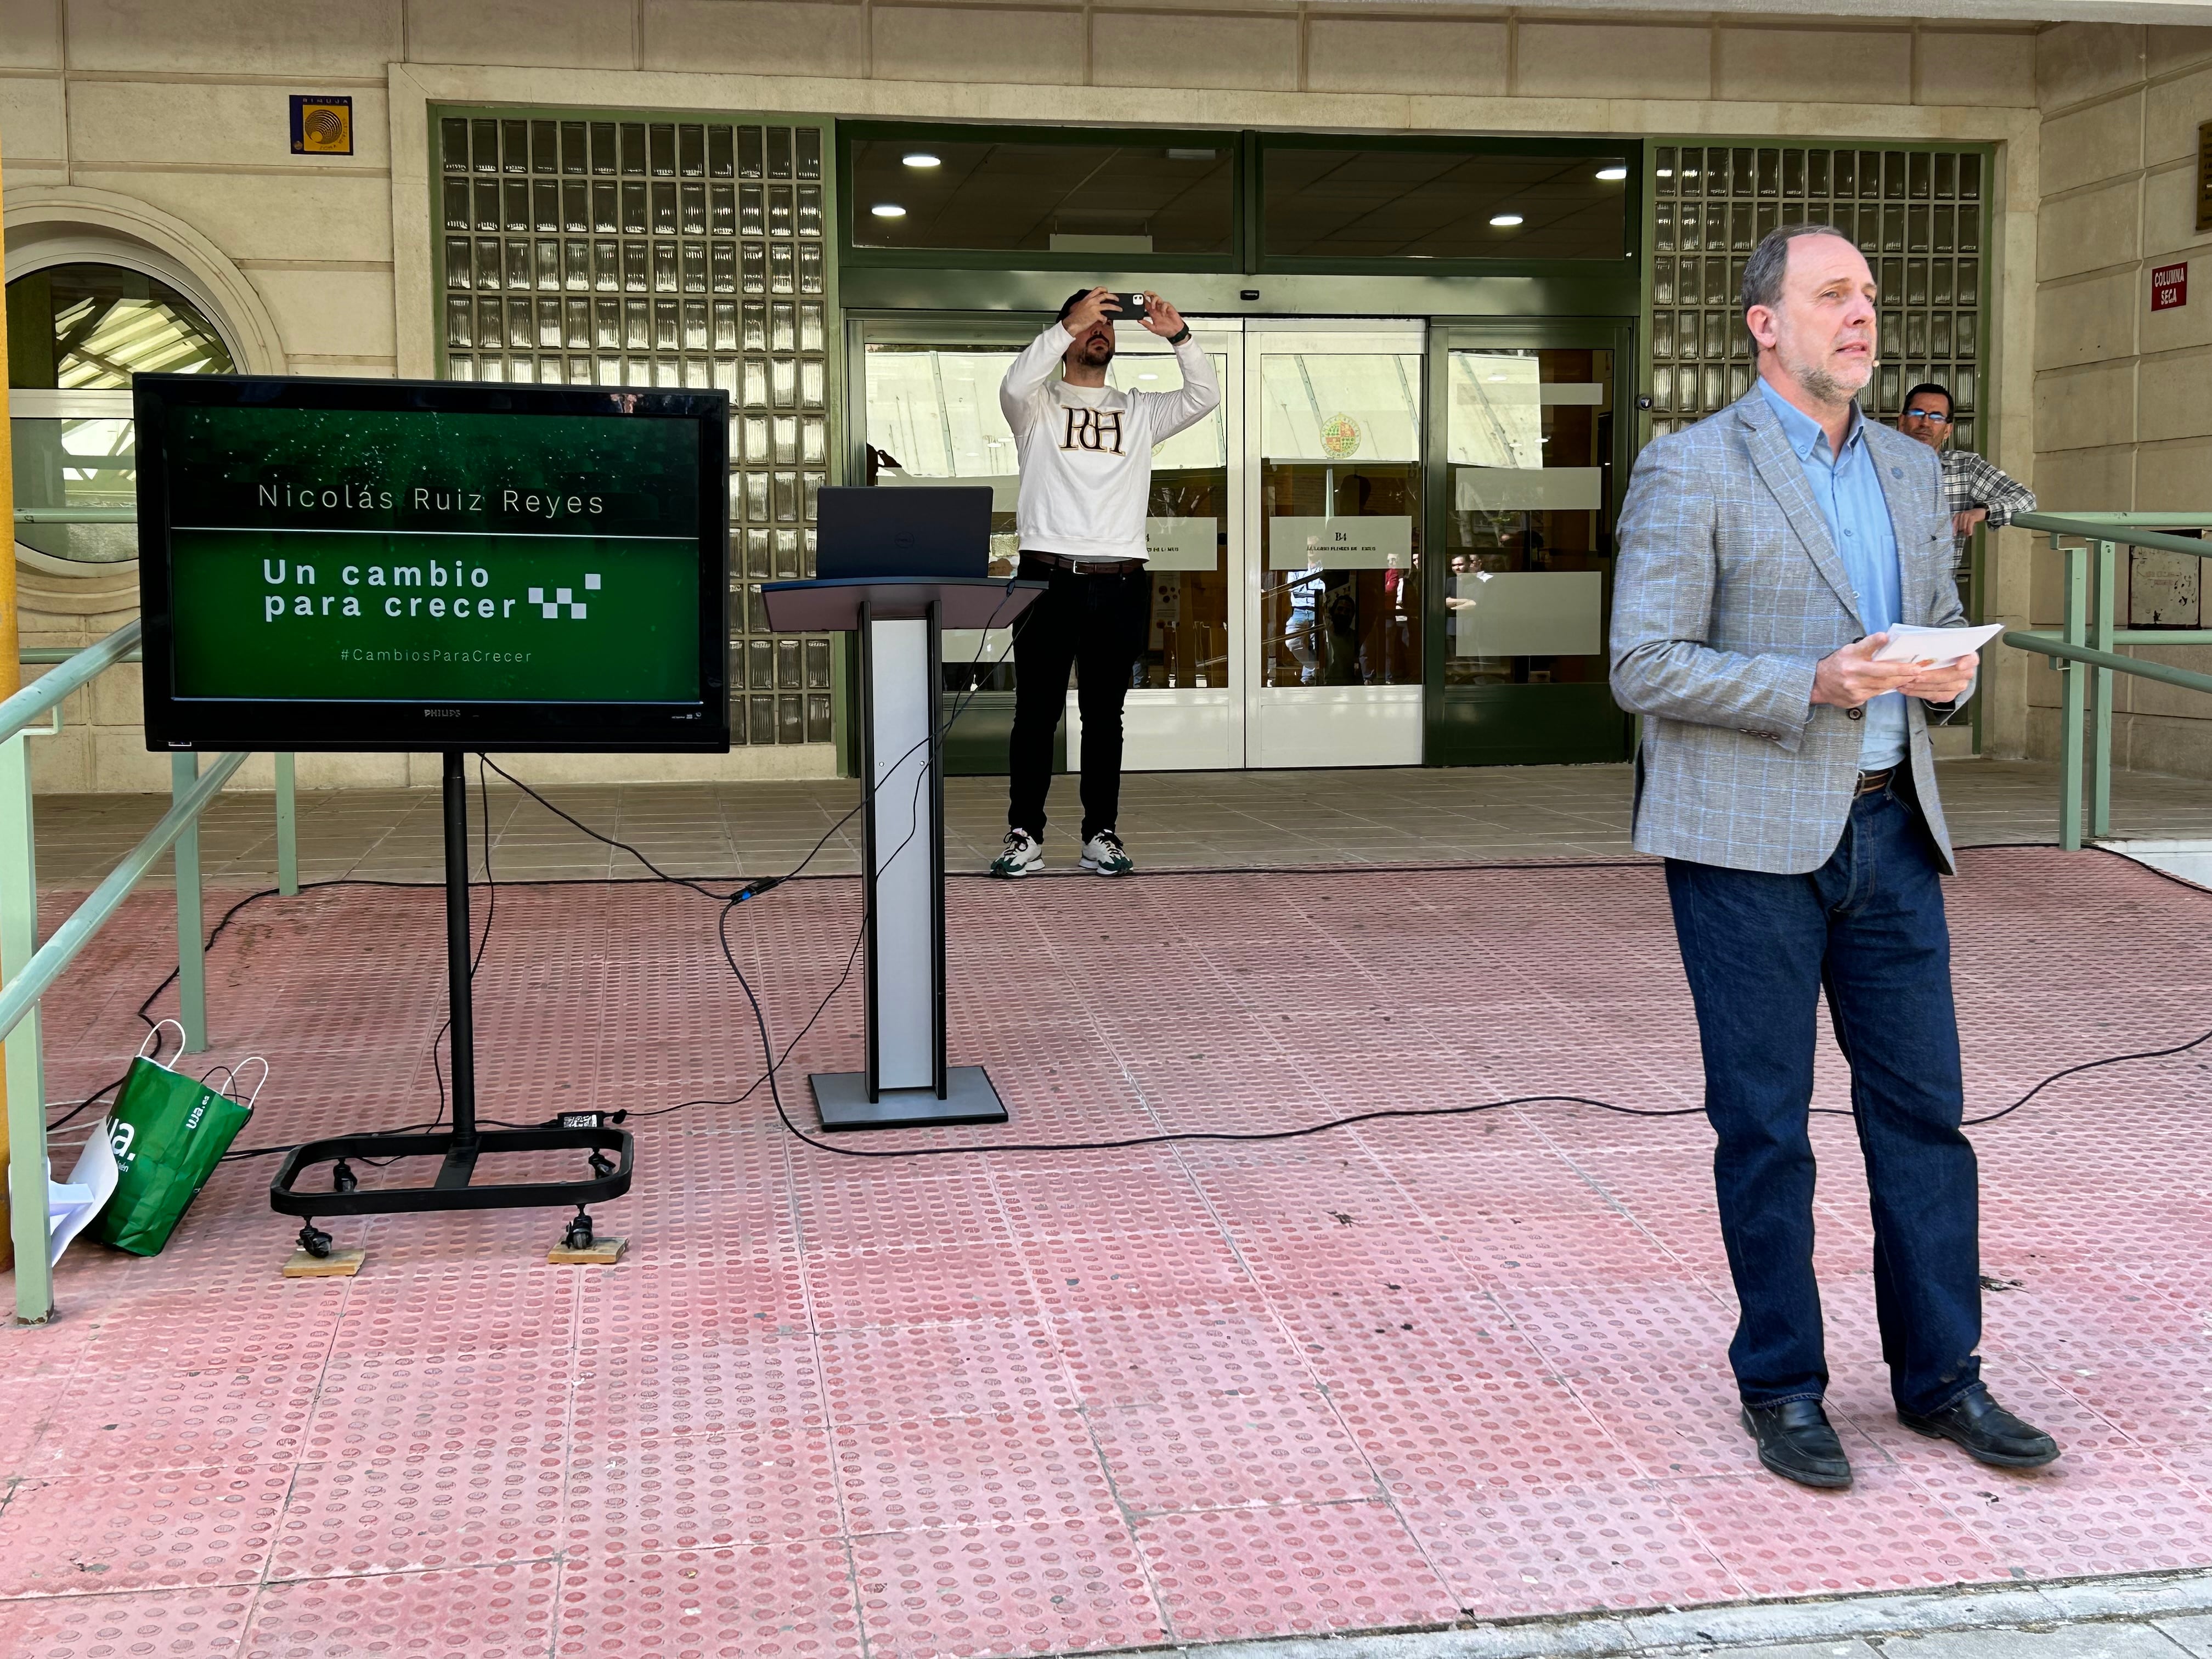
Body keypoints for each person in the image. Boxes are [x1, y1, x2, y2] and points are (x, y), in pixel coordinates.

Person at [1610, 223, 2060, 1491]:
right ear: (1765, 324)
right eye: (1831, 295)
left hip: (1893, 832)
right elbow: (1642, 663)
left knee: (1924, 1119)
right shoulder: (1690, 469)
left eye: (1869, 292)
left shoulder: (1917, 479)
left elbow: (1923, 657)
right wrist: (1810, 680)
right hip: (1745, 846)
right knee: (1765, 1129)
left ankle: (1943, 1380)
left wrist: (1950, 679)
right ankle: (1784, 1386)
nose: (1861, 314)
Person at [990, 287, 1219, 878]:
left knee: (1105, 716)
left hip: (1119, 582)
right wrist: (1068, 325)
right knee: (1036, 713)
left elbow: (1204, 395)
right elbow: (1014, 383)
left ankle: (1101, 833)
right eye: (1092, 323)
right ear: (1068, 332)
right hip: (1047, 577)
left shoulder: (1140, 410)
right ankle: (1025, 834)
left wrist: (1180, 337)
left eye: (1108, 326)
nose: (1102, 332)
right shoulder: (1035, 405)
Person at [1898, 381, 2037, 552]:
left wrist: (1983, 510)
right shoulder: (1874, 464)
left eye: (1937, 417)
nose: (1925, 423)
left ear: (1948, 430)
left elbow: (2025, 499)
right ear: (1902, 422)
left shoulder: (1964, 467)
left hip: (1939, 577)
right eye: (1918, 413)